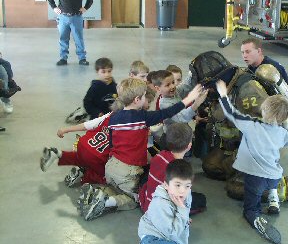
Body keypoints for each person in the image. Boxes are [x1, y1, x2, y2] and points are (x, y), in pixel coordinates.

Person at [80, 78, 204, 221]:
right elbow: (168, 112)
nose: (146, 99)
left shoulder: (114, 117)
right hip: (127, 172)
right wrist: (190, 98)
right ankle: (106, 201)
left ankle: (100, 192)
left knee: (121, 185)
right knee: (136, 200)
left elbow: (111, 143)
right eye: (145, 96)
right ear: (137, 99)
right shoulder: (141, 118)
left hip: (111, 167)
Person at [216, 80, 288, 244]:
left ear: (263, 110)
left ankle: (255, 217)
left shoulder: (251, 125)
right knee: (273, 179)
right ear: (284, 117)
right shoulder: (281, 133)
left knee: (251, 205)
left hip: (255, 175)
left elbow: (231, 113)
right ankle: (274, 198)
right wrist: (286, 125)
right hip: (274, 174)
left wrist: (223, 94)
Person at [139, 123, 206, 214]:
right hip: (159, 211)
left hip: (147, 201)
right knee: (201, 199)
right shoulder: (181, 170)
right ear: (189, 146)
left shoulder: (160, 155)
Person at [138, 159, 193, 244]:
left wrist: (184, 217)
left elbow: (185, 209)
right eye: (177, 185)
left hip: (167, 233)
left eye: (187, 186)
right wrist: (182, 211)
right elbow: (171, 234)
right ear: (166, 185)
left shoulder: (187, 193)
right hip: (153, 237)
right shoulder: (161, 203)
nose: (182, 190)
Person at [47, 0, 93, 66]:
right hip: (63, 17)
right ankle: (63, 58)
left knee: (79, 38)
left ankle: (82, 58)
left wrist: (86, 7)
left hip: (76, 17)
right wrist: (54, 7)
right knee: (63, 38)